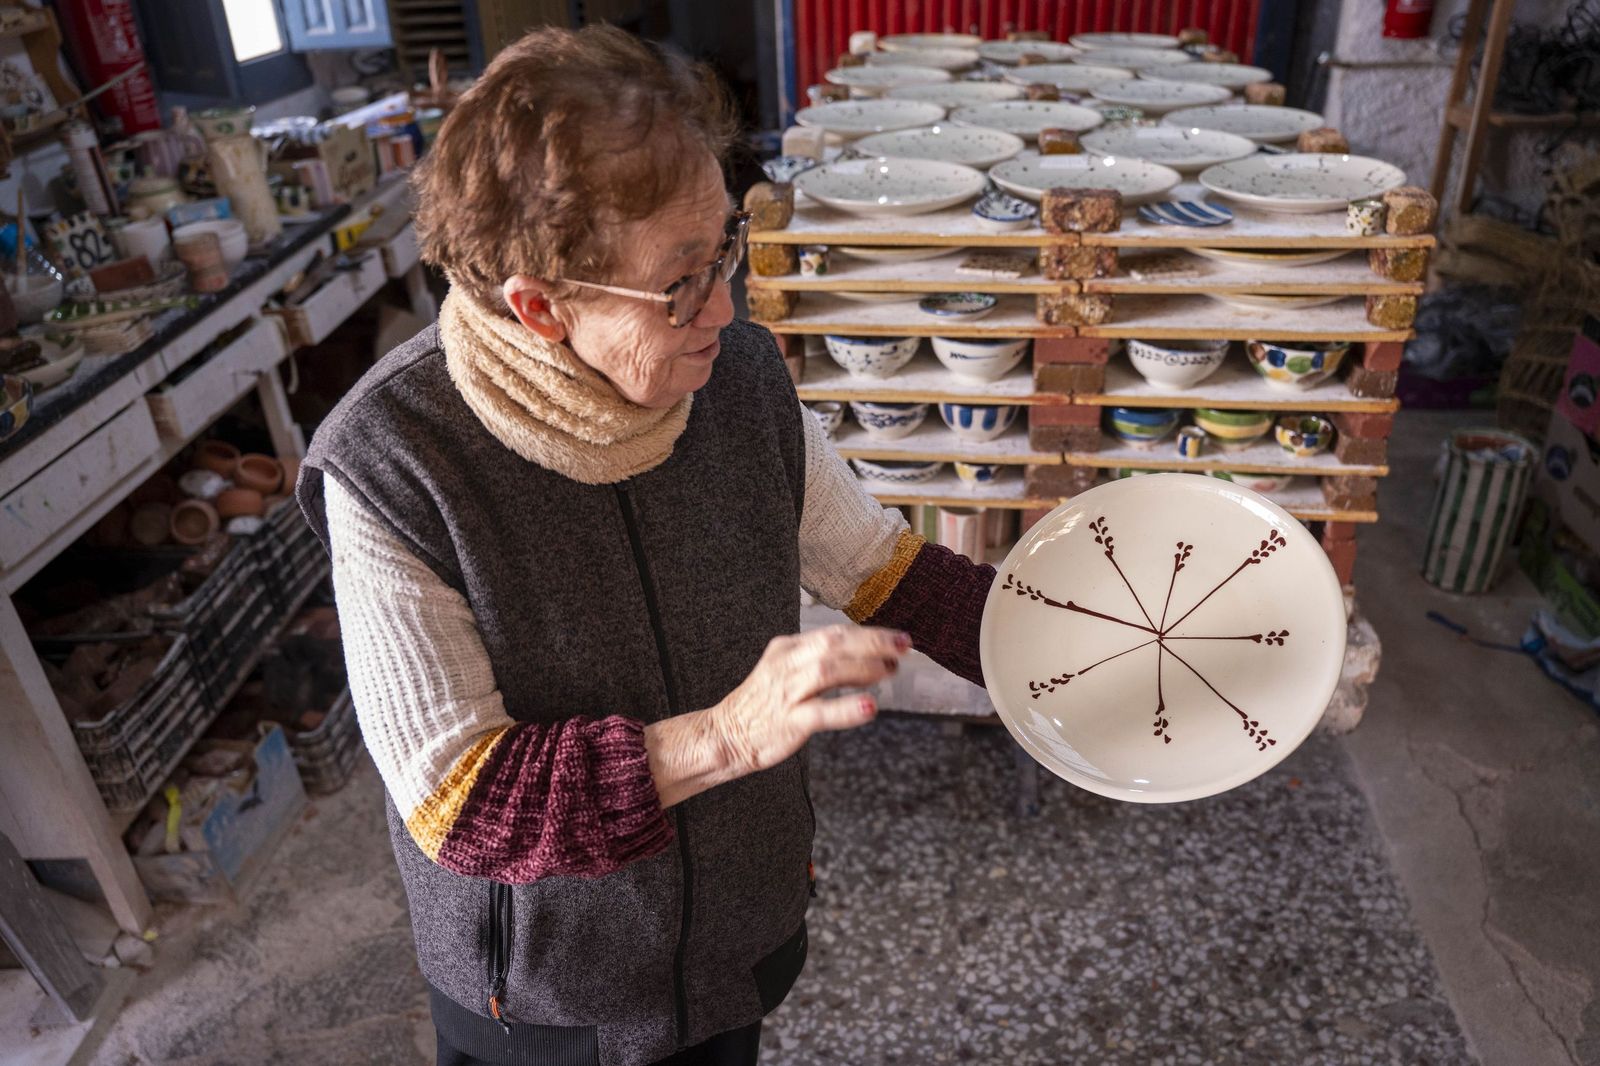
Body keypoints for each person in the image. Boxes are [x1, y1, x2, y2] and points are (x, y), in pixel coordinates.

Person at [296, 24, 994, 1066]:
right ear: (539, 307)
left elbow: (881, 566)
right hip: (543, 985)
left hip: (732, 927)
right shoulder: (396, 462)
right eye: (679, 282)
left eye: (724, 251)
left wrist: (1109, 646)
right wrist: (723, 735)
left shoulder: (741, 380)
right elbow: (462, 799)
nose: (724, 306)